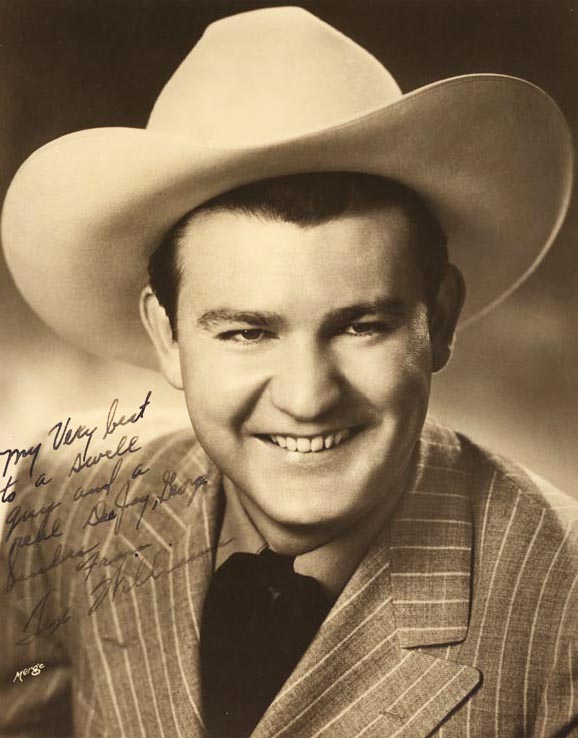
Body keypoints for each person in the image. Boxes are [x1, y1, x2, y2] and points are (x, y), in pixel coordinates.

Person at [1, 6, 577, 738]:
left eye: (361, 326)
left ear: (440, 319)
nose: (307, 398)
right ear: (167, 336)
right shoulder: (67, 507)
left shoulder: (565, 613)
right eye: (247, 332)